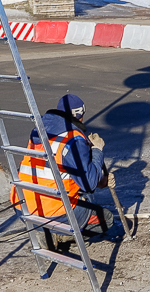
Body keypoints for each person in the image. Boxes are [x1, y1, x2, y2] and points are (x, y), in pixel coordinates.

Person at [11, 93, 109, 250]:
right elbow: (88, 184)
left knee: (77, 188)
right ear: (80, 116)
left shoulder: (39, 130)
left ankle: (43, 228)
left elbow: (58, 165)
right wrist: (97, 151)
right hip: (52, 209)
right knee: (105, 219)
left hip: (23, 205)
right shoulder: (73, 139)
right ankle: (58, 234)